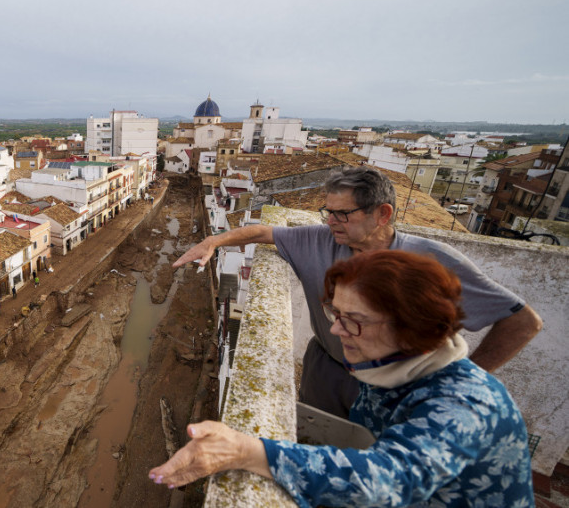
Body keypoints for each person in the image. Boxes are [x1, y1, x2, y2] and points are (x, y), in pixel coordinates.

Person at [150, 250, 534, 506]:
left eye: (354, 320)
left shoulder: (465, 405)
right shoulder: (388, 363)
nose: (336, 331)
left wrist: (247, 451)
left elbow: (385, 482)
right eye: (336, 313)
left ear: (412, 327)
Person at [174, 166, 542, 417]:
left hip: (399, 389)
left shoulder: (430, 260)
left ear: (382, 214)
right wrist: (213, 241)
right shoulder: (318, 240)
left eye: (342, 214)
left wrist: (466, 379)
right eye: (327, 211)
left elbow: (522, 321)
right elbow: (261, 233)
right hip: (327, 372)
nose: (330, 221)